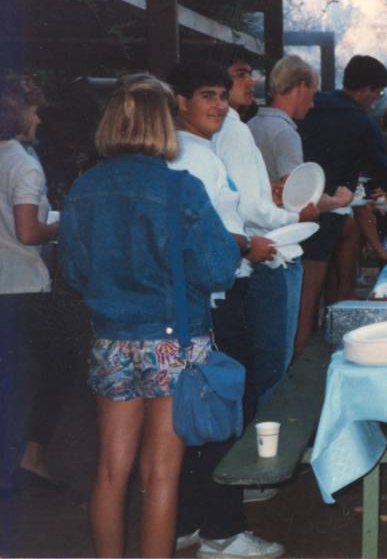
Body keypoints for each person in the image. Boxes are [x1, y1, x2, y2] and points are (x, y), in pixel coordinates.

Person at [59, 76, 239, 558]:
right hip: (173, 342)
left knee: (111, 471)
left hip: (111, 339)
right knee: (160, 474)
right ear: (165, 125)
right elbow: (220, 268)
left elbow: (74, 274)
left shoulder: (83, 189)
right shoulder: (181, 188)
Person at [166, 61, 285, 559]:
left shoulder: (192, 152)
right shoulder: (195, 158)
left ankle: (191, 521)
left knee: (195, 413)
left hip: (199, 299)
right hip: (214, 298)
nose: (218, 104)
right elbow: (207, 237)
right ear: (180, 104)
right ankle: (223, 533)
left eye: (221, 95)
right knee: (219, 412)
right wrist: (247, 247)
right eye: (206, 95)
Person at [212, 51, 344, 402]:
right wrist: (328, 205)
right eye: (240, 75)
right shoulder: (256, 130)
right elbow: (295, 199)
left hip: (245, 254)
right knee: (271, 362)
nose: (249, 82)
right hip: (271, 251)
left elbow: (250, 194)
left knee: (251, 357)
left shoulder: (247, 125)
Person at [297, 55, 387, 357]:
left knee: (305, 298)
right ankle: (314, 361)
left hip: (297, 207)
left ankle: (321, 347)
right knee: (311, 302)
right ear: (367, 89)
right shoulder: (360, 120)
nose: (377, 99)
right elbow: (383, 169)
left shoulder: (313, 105)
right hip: (327, 210)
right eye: (378, 92)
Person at [0, 77, 67, 494]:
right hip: (24, 285)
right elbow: (28, 231)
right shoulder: (23, 163)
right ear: (18, 113)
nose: (39, 118)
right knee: (55, 371)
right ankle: (31, 458)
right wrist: (66, 225)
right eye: (35, 110)